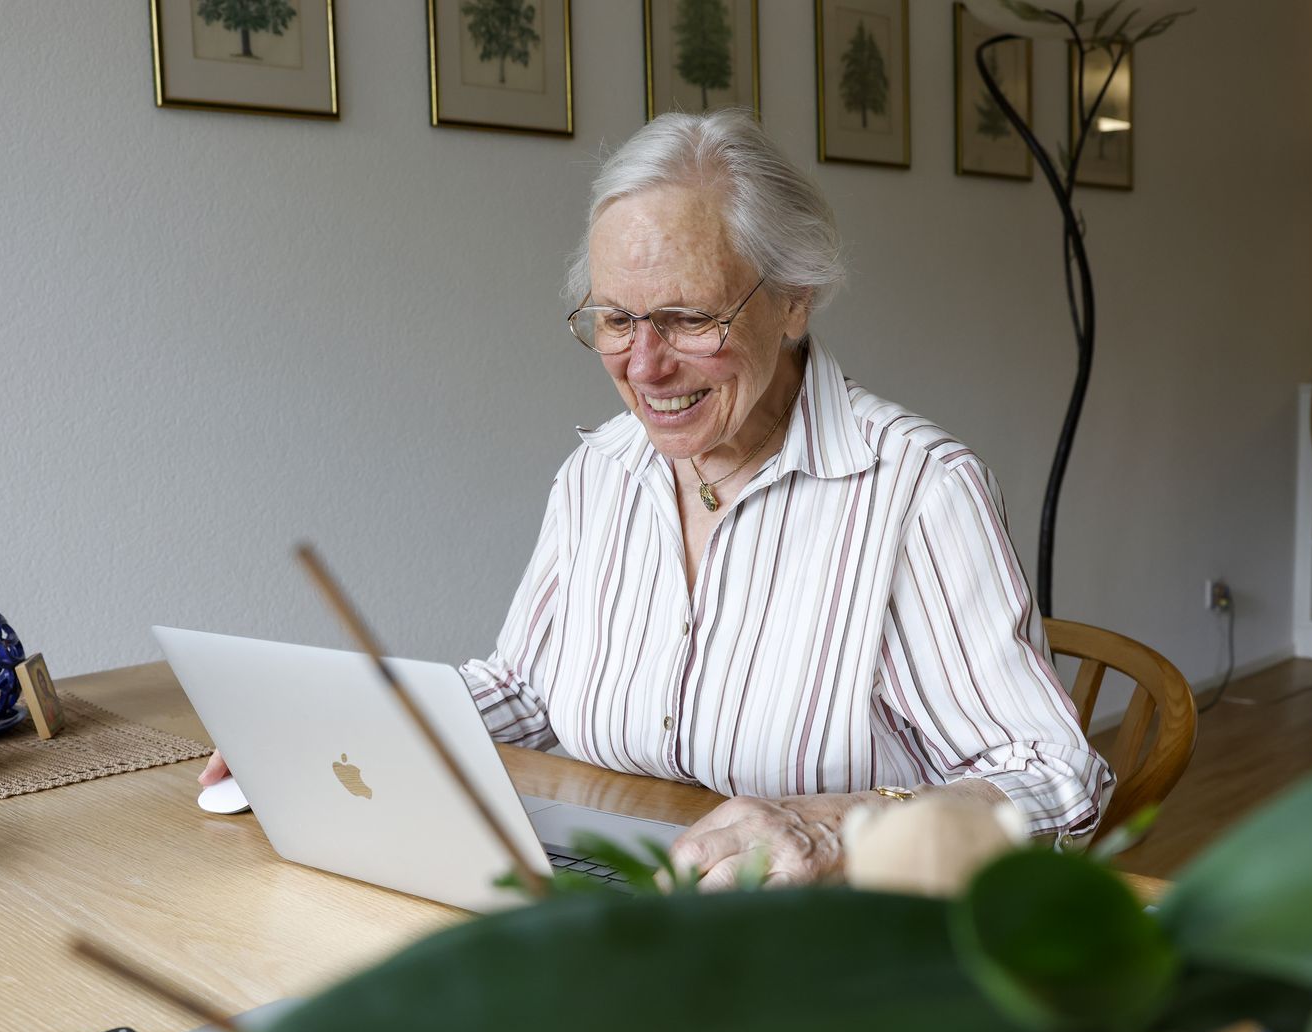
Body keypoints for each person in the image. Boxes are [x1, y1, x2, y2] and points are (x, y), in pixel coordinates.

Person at [202, 110, 1113, 888]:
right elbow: (527, 689)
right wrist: (337, 728)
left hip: (836, 936)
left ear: (794, 301)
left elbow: (1054, 779)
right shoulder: (600, 471)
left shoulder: (915, 489)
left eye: (687, 318)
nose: (644, 366)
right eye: (615, 318)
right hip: (625, 889)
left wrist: (832, 827)